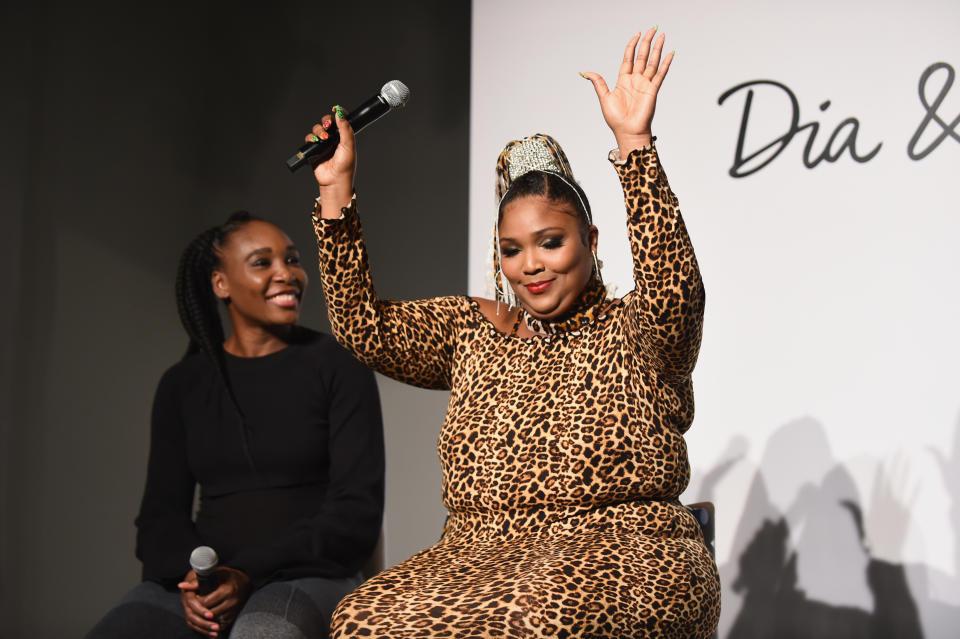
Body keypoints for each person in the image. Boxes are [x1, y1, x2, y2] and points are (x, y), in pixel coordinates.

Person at [307, 26, 720, 638]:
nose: (531, 264)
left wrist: (634, 146)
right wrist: (334, 187)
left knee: (538, 619)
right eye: (512, 249)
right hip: (476, 557)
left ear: (590, 242)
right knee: (364, 619)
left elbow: (675, 284)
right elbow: (363, 328)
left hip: (630, 551)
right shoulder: (474, 330)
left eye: (550, 243)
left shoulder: (639, 328)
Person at [85, 213, 384, 639]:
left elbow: (356, 513)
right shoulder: (183, 384)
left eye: (293, 260)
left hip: (310, 572)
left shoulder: (339, 365)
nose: (287, 274)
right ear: (220, 284)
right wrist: (197, 580)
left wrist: (246, 571)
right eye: (263, 263)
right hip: (207, 581)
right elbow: (159, 518)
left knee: (263, 633)